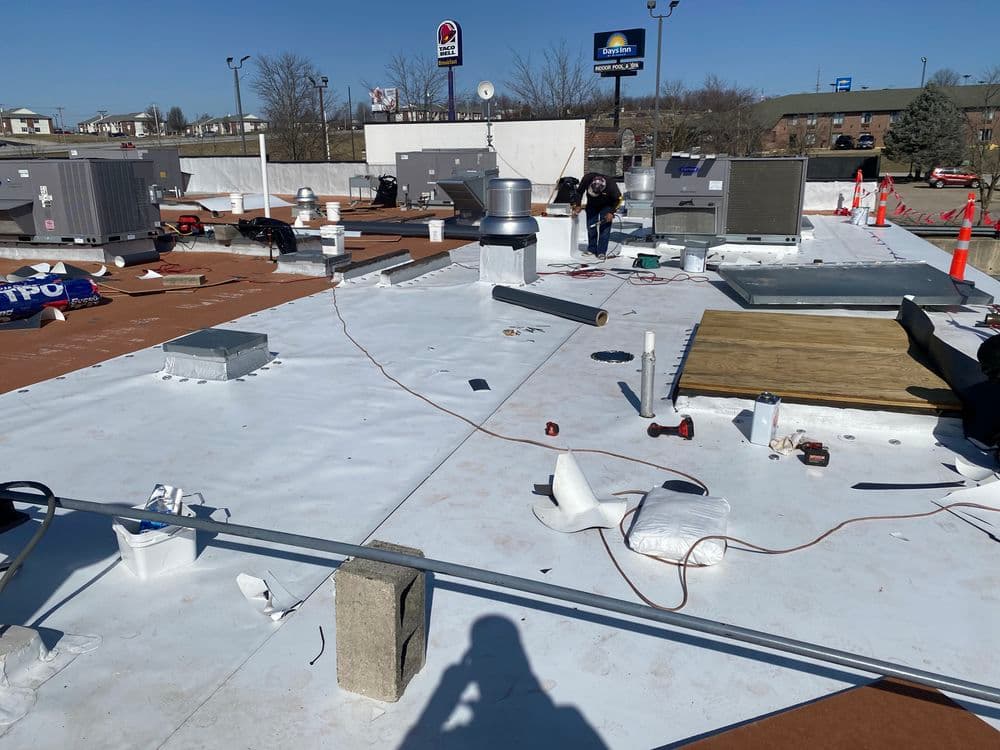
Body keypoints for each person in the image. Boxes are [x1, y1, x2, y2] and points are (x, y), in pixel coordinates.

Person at [572, 173, 622, 258]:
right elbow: (579, 192)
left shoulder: (611, 186)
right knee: (591, 226)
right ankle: (592, 249)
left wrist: (611, 212)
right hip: (592, 204)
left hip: (607, 205)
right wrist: (578, 205)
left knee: (604, 228)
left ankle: (601, 251)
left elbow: (618, 200)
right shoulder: (587, 179)